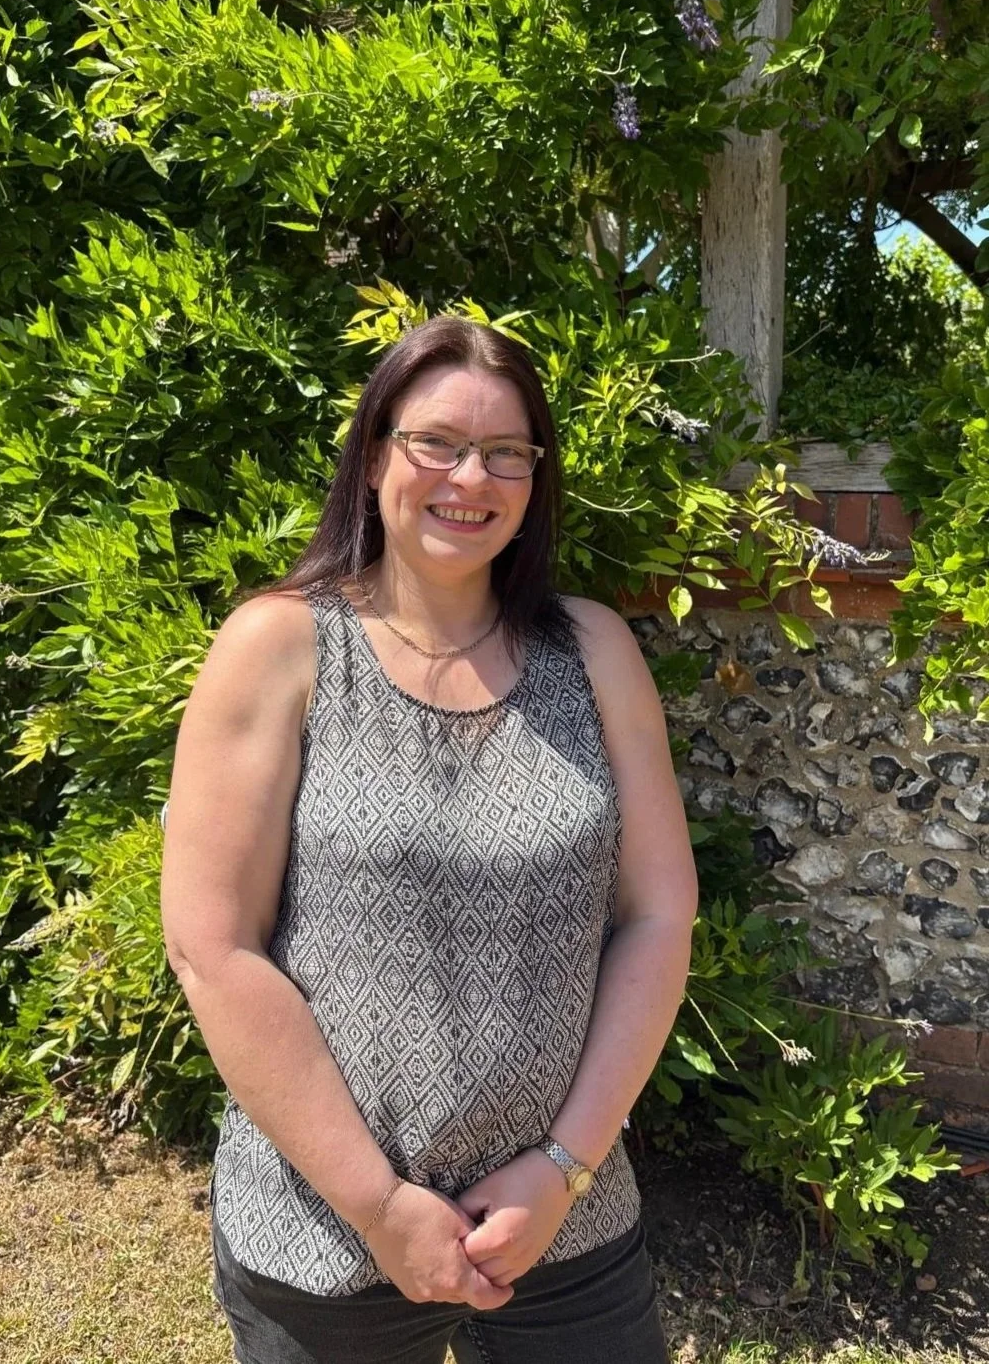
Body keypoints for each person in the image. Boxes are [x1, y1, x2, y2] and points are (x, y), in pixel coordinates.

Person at [159, 314, 699, 1364]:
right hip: (324, 1234)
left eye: (506, 452)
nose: (471, 477)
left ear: (535, 478)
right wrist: (379, 1205)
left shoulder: (593, 650)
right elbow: (213, 947)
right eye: (437, 443)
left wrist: (562, 1169)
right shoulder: (279, 646)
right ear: (374, 458)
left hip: (564, 1224)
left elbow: (657, 914)